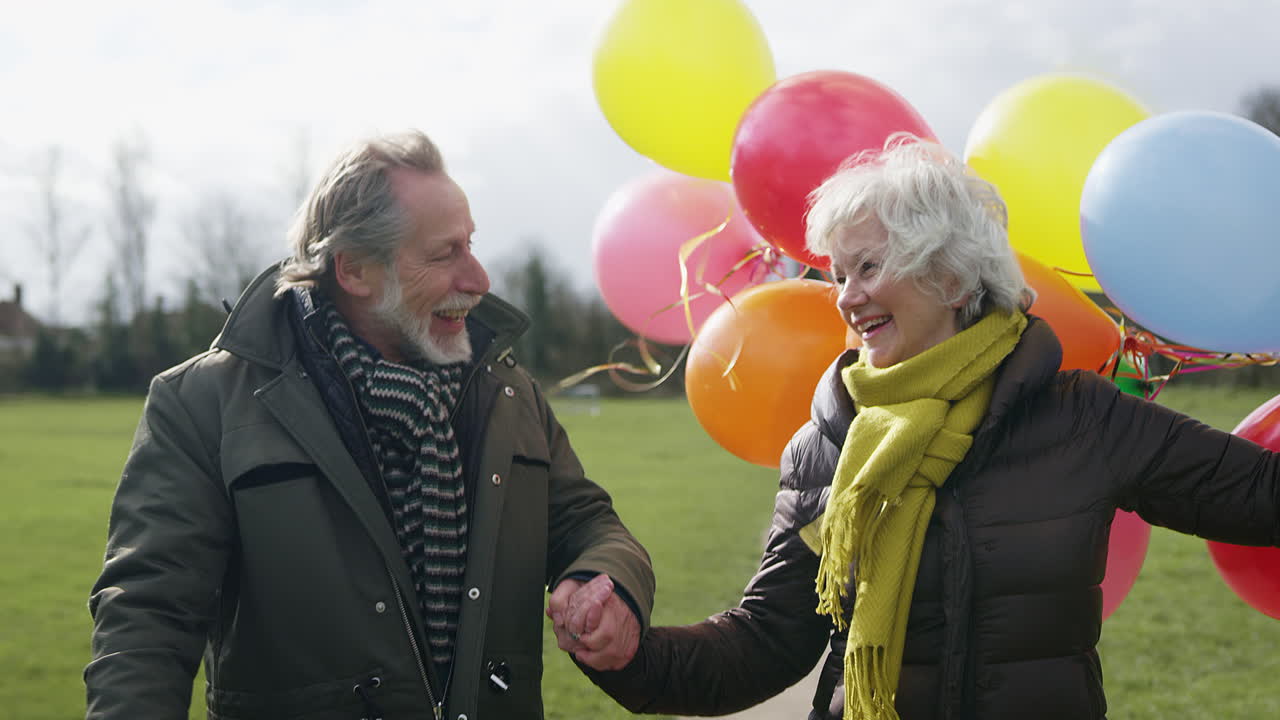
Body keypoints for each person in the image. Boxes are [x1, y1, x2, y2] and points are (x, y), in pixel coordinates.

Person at [563, 134, 1280, 719]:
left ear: (955, 278)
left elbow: (1260, 495)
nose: (846, 298)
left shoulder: (1080, 416)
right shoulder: (827, 445)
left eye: (868, 267)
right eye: (838, 274)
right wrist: (632, 655)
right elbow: (767, 643)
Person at [85, 129, 654, 720]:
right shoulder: (203, 403)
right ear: (354, 270)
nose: (479, 278)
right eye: (444, 253)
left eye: (471, 244)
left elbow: (590, 525)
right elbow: (146, 620)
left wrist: (606, 583)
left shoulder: (508, 393)